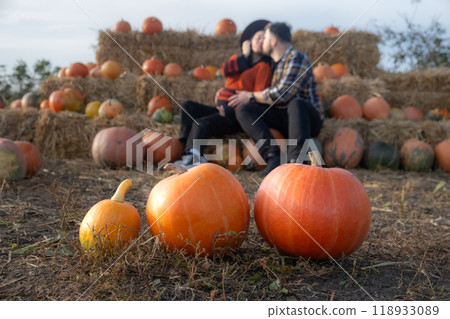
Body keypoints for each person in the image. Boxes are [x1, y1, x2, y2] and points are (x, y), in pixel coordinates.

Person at [229, 22, 324, 177]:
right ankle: (273, 156)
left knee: (296, 103)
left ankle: (297, 162)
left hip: (306, 118)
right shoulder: (273, 64)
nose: (262, 41)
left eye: (264, 37)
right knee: (244, 110)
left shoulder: (296, 58)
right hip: (284, 116)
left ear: (273, 41)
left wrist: (250, 95)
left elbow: (282, 94)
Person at [175, 19, 272, 169]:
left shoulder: (263, 67)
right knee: (188, 106)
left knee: (201, 124)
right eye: (257, 37)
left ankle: (193, 159)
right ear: (249, 41)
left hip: (236, 115)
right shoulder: (237, 60)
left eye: (264, 38)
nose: (260, 41)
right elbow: (225, 70)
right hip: (222, 108)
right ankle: (182, 147)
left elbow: (258, 97)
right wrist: (245, 56)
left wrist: (229, 108)